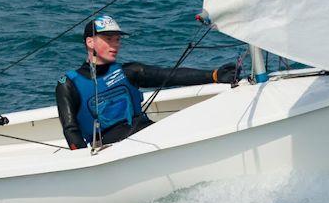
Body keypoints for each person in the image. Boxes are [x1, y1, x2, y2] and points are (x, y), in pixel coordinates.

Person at [56, 15, 238, 149]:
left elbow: (170, 75)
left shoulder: (128, 72)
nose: (115, 45)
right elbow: (71, 130)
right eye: (108, 39)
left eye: (117, 40)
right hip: (111, 151)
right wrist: (85, 164)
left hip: (147, 135)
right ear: (90, 42)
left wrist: (214, 75)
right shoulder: (69, 84)